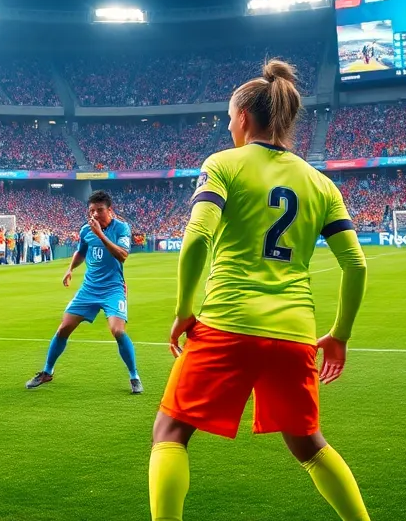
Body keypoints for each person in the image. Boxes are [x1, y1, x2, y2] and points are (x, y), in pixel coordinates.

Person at [149, 59, 370, 521]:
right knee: (309, 444)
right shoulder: (320, 182)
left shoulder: (223, 164)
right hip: (294, 332)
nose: (229, 126)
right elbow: (355, 262)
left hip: (229, 322)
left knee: (170, 431)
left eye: (230, 117)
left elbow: (196, 240)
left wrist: (185, 310)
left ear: (244, 117)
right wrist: (340, 334)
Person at [25, 191, 141, 394]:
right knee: (63, 329)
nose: (95, 214)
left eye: (100, 210)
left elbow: (122, 255)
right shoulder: (86, 230)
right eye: (92, 211)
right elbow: (81, 251)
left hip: (113, 289)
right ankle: (47, 372)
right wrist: (70, 268)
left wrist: (101, 235)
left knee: (118, 331)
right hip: (89, 288)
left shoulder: (122, 228)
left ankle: (134, 376)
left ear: (110, 210)